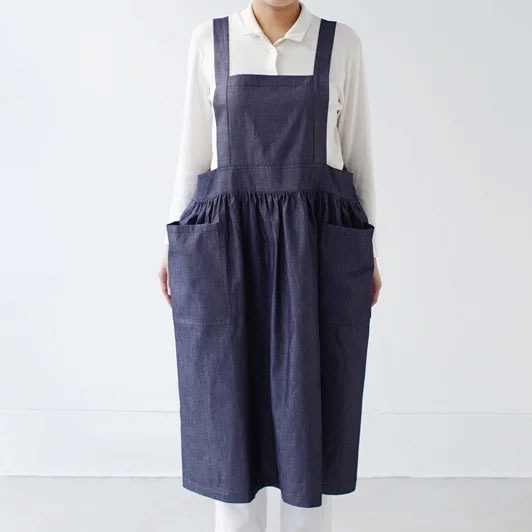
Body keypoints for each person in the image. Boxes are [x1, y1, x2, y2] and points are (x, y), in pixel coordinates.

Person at [158, 1, 383, 530]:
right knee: (228, 409)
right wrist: (174, 243)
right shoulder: (209, 41)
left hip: (316, 250)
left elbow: (358, 158)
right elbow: (193, 153)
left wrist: (366, 249)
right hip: (229, 250)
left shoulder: (341, 44)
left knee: (312, 416)